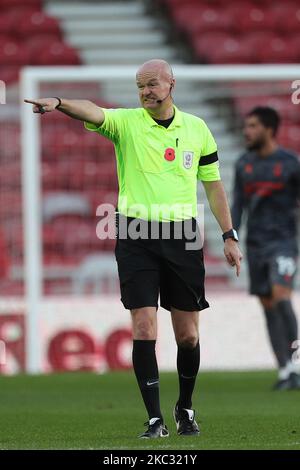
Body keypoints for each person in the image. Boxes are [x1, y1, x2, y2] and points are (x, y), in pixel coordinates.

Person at [25, 59, 242, 438]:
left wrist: (228, 235)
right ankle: (155, 418)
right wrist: (59, 102)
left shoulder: (197, 129)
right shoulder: (126, 123)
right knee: (143, 325)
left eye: (152, 84)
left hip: (184, 237)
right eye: (140, 86)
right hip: (135, 236)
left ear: (171, 83)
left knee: (188, 334)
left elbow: (213, 186)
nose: (146, 92)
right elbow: (94, 111)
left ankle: (185, 407)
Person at [231, 106, 300, 391]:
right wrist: (230, 238)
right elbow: (237, 205)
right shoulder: (243, 164)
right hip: (255, 245)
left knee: (281, 296)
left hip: (283, 243)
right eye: (247, 126)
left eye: (253, 126)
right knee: (268, 306)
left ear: (269, 130)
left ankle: (297, 365)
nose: (247, 131)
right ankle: (284, 370)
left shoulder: (290, 164)